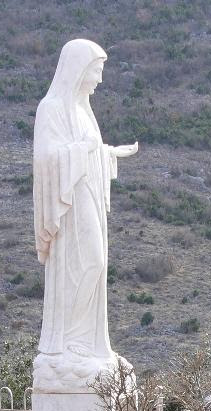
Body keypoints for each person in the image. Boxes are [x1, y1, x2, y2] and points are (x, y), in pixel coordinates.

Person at [31, 39, 138, 391]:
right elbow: (46, 157)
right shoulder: (51, 108)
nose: (100, 79)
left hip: (87, 196)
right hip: (70, 207)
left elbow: (89, 151)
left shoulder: (83, 110)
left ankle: (85, 341)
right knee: (90, 260)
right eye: (96, 71)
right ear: (77, 70)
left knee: (97, 263)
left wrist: (109, 154)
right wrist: (83, 149)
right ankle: (70, 341)